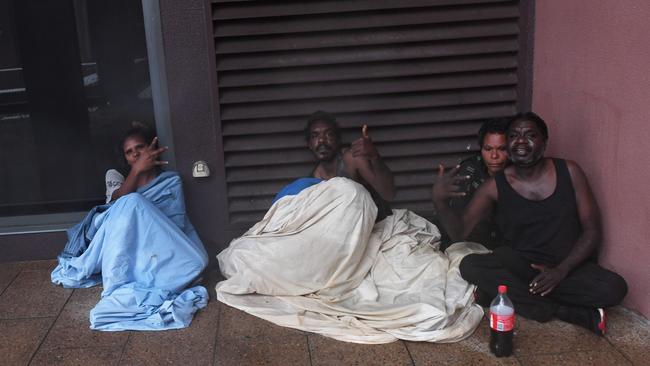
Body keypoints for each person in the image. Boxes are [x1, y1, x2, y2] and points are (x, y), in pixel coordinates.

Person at [215, 112, 488, 344]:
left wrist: (374, 157)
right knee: (247, 255)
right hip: (334, 247)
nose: (322, 140)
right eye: (316, 136)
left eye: (328, 134)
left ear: (338, 137)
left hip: (374, 234)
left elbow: (389, 192)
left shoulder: (351, 160)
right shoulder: (309, 182)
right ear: (308, 143)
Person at [432, 112, 627, 335]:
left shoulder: (570, 171)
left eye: (530, 135)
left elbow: (592, 230)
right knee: (470, 266)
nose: (521, 141)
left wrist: (560, 271)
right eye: (514, 136)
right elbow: (460, 233)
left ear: (544, 143)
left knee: (615, 288)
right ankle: (563, 311)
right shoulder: (495, 186)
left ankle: (508, 294)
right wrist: (440, 202)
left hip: (568, 267)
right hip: (522, 265)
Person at [51, 124, 209, 331]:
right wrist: (136, 171)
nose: (135, 153)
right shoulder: (124, 192)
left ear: (151, 148)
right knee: (130, 202)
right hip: (132, 247)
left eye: (140, 147)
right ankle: (119, 282)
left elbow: (176, 225)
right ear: (126, 159)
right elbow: (120, 204)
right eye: (129, 152)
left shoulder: (170, 181)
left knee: (197, 262)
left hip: (161, 246)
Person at [444, 118, 509, 249]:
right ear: (481, 149)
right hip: (472, 244)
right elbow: (458, 223)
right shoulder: (470, 170)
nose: (494, 156)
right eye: (488, 149)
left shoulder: (519, 173)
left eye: (502, 149)